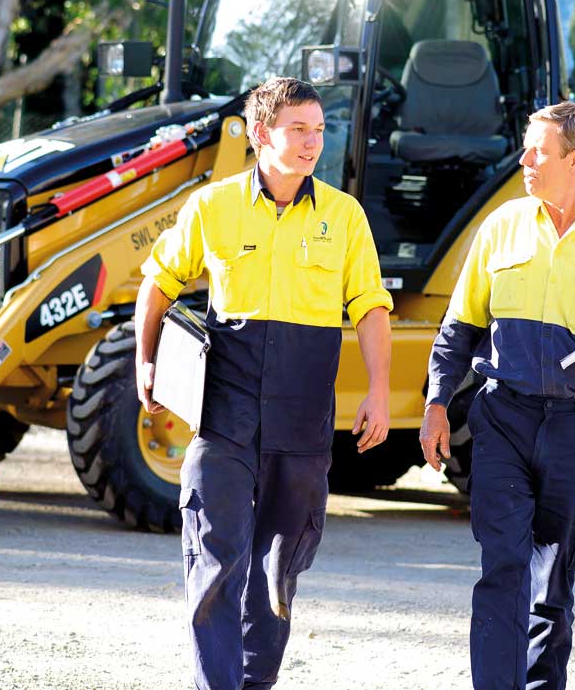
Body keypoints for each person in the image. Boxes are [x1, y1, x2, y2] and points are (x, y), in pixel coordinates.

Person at [135, 76, 393, 690]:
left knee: (278, 573)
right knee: (216, 566)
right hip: (224, 418)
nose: (312, 143)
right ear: (259, 135)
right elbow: (159, 281)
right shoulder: (212, 206)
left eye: (318, 131)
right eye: (297, 130)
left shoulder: (344, 215)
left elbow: (370, 306)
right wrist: (145, 360)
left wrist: (379, 391)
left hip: (301, 423)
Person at [419, 101, 575, 690]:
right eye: (526, 148)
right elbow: (459, 328)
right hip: (503, 418)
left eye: (538, 152)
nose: (524, 160)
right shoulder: (500, 226)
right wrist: (434, 405)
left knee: (553, 578)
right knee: (502, 568)